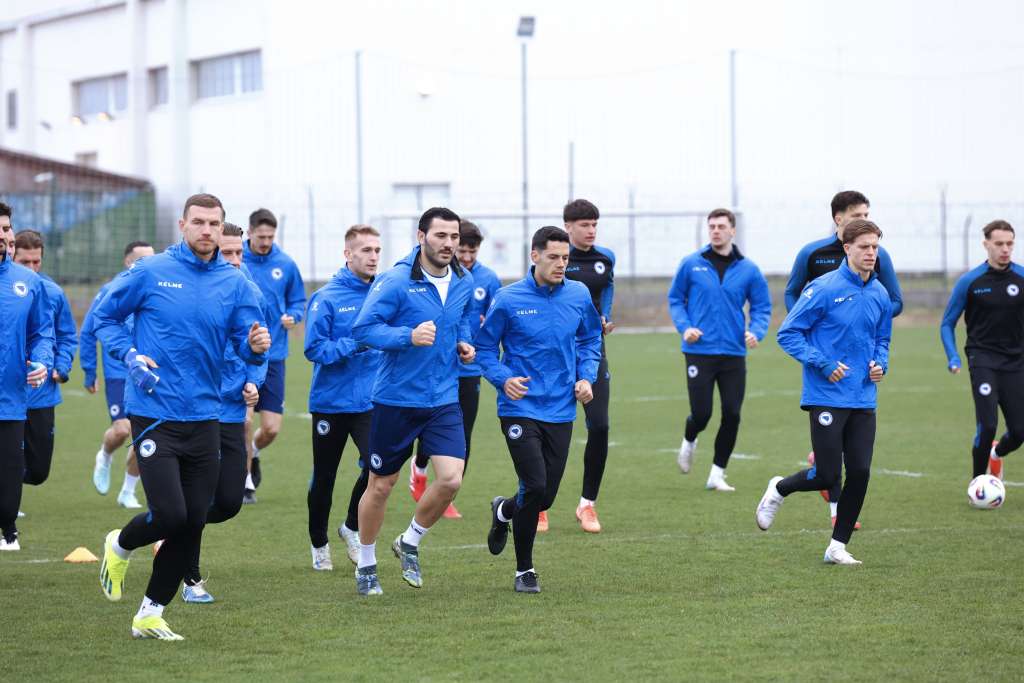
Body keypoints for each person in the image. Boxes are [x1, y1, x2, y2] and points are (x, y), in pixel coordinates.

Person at [95, 194, 270, 641]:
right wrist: (129, 354)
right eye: (199, 222)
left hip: (207, 414)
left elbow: (246, 342)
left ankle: (150, 614)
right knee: (171, 515)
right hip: (155, 411)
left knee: (192, 521)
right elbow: (104, 318)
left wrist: (255, 348)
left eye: (214, 223)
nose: (207, 230)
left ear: (222, 227)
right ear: (182, 225)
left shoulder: (235, 283)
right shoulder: (151, 271)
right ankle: (120, 543)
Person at [350, 206, 476, 596]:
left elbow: (463, 318)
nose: (449, 243)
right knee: (381, 485)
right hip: (396, 399)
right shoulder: (395, 280)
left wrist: (463, 341)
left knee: (451, 479)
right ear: (421, 237)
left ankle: (409, 540)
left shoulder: (464, 279)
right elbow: (363, 329)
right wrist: (408, 336)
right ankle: (366, 563)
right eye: (441, 236)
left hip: (443, 398)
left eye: (454, 237)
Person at [756, 220, 891, 565]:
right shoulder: (823, 288)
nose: (871, 253)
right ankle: (780, 488)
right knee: (828, 475)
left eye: (875, 247)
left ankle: (837, 546)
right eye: (864, 247)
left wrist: (880, 364)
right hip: (826, 395)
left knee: (860, 472)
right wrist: (823, 362)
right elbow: (788, 333)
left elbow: (882, 339)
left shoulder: (880, 293)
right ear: (847, 248)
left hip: (863, 396)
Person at [481, 226, 602, 592]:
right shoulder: (508, 298)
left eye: (565, 258)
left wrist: (586, 377)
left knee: (543, 496)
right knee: (534, 484)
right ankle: (525, 570)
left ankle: (504, 510)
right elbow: (484, 350)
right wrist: (503, 379)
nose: (561, 264)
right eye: (553, 257)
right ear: (534, 256)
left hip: (561, 408)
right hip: (518, 407)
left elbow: (590, 338)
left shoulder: (578, 294)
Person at [783, 190, 902, 526]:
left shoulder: (877, 267)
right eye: (858, 216)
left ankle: (838, 535)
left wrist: (874, 345)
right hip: (824, 368)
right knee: (829, 471)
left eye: (867, 215)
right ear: (839, 220)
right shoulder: (814, 256)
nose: (864, 221)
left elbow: (893, 306)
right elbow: (793, 300)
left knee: (857, 469)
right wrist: (816, 336)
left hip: (861, 381)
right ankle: (813, 486)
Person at [180, 222, 268, 603]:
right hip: (196, 408)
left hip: (232, 410)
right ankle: (190, 578)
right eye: (226, 251)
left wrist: (253, 380)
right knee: (197, 496)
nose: (233, 259)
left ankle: (173, 531)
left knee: (229, 502)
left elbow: (261, 346)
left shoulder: (249, 291)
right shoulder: (193, 288)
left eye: (238, 253)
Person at [668, 209, 771, 491]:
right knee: (702, 414)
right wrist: (685, 327)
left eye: (721, 226)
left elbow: (762, 306)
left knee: (732, 413)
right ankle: (689, 439)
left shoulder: (749, 269)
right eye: (711, 226)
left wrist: (756, 331)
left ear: (732, 231)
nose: (715, 230)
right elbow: (675, 299)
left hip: (734, 352)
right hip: (699, 350)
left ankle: (717, 474)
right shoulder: (691, 264)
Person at [409, 219, 501, 520]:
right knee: (429, 426)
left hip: (469, 367)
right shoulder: (438, 275)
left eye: (473, 252)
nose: (467, 257)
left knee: (463, 434)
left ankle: (446, 495)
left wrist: (488, 326)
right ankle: (420, 466)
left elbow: (497, 317)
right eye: (463, 251)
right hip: (437, 366)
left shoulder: (488, 279)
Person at [305, 225, 382, 570]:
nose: (373, 257)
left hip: (371, 401)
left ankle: (351, 526)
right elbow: (314, 349)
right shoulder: (327, 297)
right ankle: (319, 543)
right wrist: (356, 344)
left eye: (377, 250)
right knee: (325, 477)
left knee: (379, 466)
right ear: (348, 254)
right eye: (366, 250)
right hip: (331, 402)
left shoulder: (383, 292)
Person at [940, 219, 1024, 483]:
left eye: (1009, 243)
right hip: (982, 359)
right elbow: (947, 323)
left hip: (1016, 362)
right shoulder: (970, 281)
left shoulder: (1021, 277)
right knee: (987, 426)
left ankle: (996, 455)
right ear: (986, 244)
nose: (1005, 249)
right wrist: (953, 356)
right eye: (999, 243)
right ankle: (978, 483)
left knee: (1020, 431)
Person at [81, 241, 155, 508]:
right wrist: (90, 371)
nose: (148, 264)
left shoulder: (157, 288)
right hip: (118, 372)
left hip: (147, 370)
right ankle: (105, 454)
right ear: (128, 262)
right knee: (123, 429)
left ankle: (127, 491)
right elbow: (89, 331)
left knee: (144, 433)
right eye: (142, 259)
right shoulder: (110, 290)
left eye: (152, 259)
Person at [561, 199, 616, 533]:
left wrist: (604, 316)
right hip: (555, 354)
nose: (591, 230)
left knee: (600, 425)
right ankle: (537, 503)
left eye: (595, 224)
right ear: (568, 227)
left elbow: (607, 286)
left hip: (593, 351)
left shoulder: (605, 258)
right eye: (584, 225)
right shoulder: (557, 257)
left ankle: (587, 504)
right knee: (549, 430)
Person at [243, 208, 306, 496]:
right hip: (243, 355)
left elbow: (298, 301)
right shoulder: (237, 259)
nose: (266, 242)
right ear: (250, 232)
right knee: (244, 421)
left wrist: (293, 316)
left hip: (275, 355)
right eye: (261, 237)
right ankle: (244, 483)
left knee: (270, 428)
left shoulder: (286, 264)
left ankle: (253, 452)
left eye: (270, 237)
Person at [0, 226, 55, 551]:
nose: (4, 235)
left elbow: (42, 332)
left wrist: (43, 361)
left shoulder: (28, 282)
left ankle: (8, 527)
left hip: (10, 400)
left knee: (13, 480)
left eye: (6, 228)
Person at [13, 231, 78, 499]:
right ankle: (8, 502)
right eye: (24, 262)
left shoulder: (53, 293)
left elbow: (67, 336)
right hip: (8, 393)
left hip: (42, 394)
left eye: (36, 261)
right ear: (11, 256)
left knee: (38, 471)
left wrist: (61, 368)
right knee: (8, 454)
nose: (31, 268)